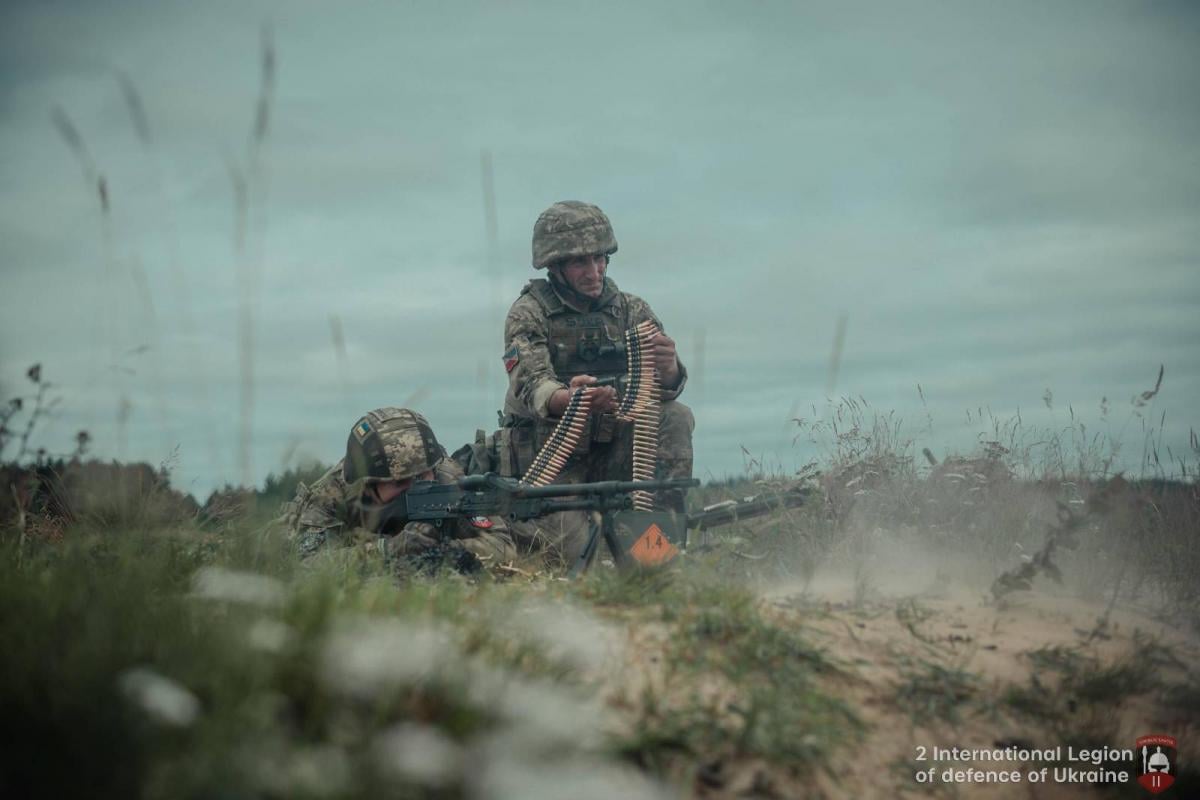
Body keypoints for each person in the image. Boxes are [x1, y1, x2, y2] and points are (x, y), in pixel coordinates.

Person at [497, 200, 695, 561]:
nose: (594, 271)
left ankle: (658, 558)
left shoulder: (631, 310)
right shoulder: (529, 313)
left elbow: (662, 389)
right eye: (579, 262)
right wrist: (568, 399)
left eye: (600, 258)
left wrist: (669, 370)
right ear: (555, 267)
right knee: (572, 557)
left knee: (675, 416)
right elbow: (530, 383)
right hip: (552, 460)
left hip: (616, 449)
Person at [280, 407, 516, 569]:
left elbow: (502, 547)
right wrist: (387, 550)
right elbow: (305, 565)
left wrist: (443, 550)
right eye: (400, 482)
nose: (416, 487)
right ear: (368, 485)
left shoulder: (447, 480)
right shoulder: (332, 494)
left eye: (423, 476)